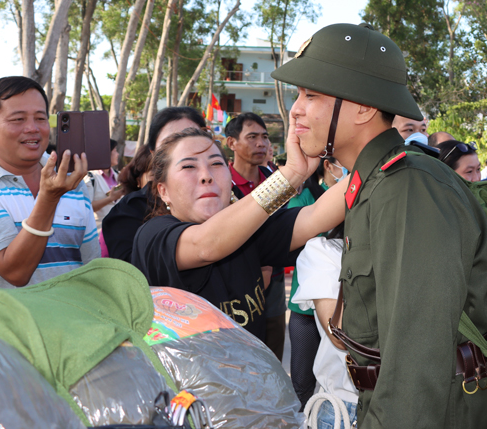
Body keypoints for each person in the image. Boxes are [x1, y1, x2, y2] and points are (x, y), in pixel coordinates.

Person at [271, 23, 487, 428]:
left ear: (363, 108)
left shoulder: (407, 188)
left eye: (311, 95)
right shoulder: (376, 184)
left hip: (435, 412)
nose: (296, 109)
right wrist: (292, 174)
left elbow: (417, 359)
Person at [131, 127, 347, 341]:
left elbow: (316, 214)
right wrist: (291, 174)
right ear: (163, 191)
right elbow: (206, 245)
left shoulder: (251, 231)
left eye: (216, 164)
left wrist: (365, 161)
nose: (206, 176)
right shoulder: (152, 236)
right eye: (188, 166)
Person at [0, 76, 99, 288]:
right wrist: (49, 198)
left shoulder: (72, 182)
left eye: (40, 118)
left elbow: (91, 266)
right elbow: (15, 272)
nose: (32, 128)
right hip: (7, 311)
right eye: (18, 119)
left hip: (72, 308)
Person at [102, 106, 206, 263]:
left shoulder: (229, 197)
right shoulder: (128, 212)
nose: (184, 149)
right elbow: (131, 270)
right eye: (171, 142)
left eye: (192, 139)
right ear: (153, 154)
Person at [225, 112, 287, 360]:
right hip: (233, 282)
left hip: (274, 285)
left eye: (264, 137)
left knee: (272, 355)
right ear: (231, 143)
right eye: (252, 137)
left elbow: (282, 228)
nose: (261, 143)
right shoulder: (221, 184)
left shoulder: (276, 182)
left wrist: (269, 265)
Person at [287, 156, 347, 409]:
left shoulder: (351, 192)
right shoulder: (305, 198)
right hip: (305, 307)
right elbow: (291, 236)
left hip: (338, 295)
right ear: (328, 165)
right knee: (302, 379)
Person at [291, 228, 359, 428]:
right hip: (345, 406)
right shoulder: (324, 250)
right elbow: (341, 336)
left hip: (407, 401)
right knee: (301, 384)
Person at [85, 139, 126, 230]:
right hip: (98, 229)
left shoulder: (119, 175)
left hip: (118, 228)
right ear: (106, 153)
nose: (117, 154)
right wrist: (110, 199)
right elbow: (88, 207)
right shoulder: (90, 177)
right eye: (115, 150)